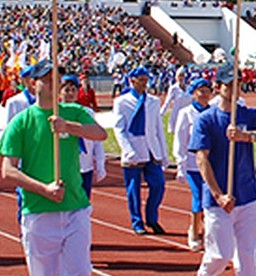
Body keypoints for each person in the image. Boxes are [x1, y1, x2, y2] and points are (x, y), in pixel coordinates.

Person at [0, 60, 106, 276]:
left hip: (75, 208)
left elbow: (99, 134)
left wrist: (68, 127)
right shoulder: (22, 122)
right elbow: (7, 170)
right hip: (39, 211)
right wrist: (42, 188)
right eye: (44, 78)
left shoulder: (73, 112)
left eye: (55, 77)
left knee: (79, 272)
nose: (51, 82)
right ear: (33, 84)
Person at [186, 66, 256, 276]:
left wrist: (246, 136)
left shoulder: (248, 115)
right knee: (220, 254)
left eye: (237, 84)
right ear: (218, 87)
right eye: (228, 85)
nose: (232, 89)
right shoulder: (207, 120)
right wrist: (218, 194)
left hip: (248, 196)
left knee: (247, 256)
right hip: (218, 201)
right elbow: (201, 159)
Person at [113, 66, 168, 235]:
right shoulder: (122, 102)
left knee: (158, 184)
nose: (145, 83)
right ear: (132, 80)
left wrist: (164, 153)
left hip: (151, 150)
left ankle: (152, 218)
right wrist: (128, 150)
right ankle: (137, 221)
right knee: (133, 190)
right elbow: (119, 128)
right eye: (141, 80)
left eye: (146, 80)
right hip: (134, 151)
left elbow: (158, 128)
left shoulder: (153, 101)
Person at [173, 77, 213, 250]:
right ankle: (194, 232)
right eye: (201, 91)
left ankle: (208, 231)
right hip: (193, 165)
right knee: (198, 198)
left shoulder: (214, 112)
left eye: (207, 91)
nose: (204, 95)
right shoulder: (186, 113)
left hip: (212, 165)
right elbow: (180, 141)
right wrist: (180, 164)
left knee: (211, 200)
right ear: (194, 93)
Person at [60, 76, 106, 200]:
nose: (70, 93)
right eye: (66, 90)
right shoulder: (56, 113)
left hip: (85, 166)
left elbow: (96, 140)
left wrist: (100, 164)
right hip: (64, 168)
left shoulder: (87, 113)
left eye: (73, 90)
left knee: (84, 203)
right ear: (60, 92)